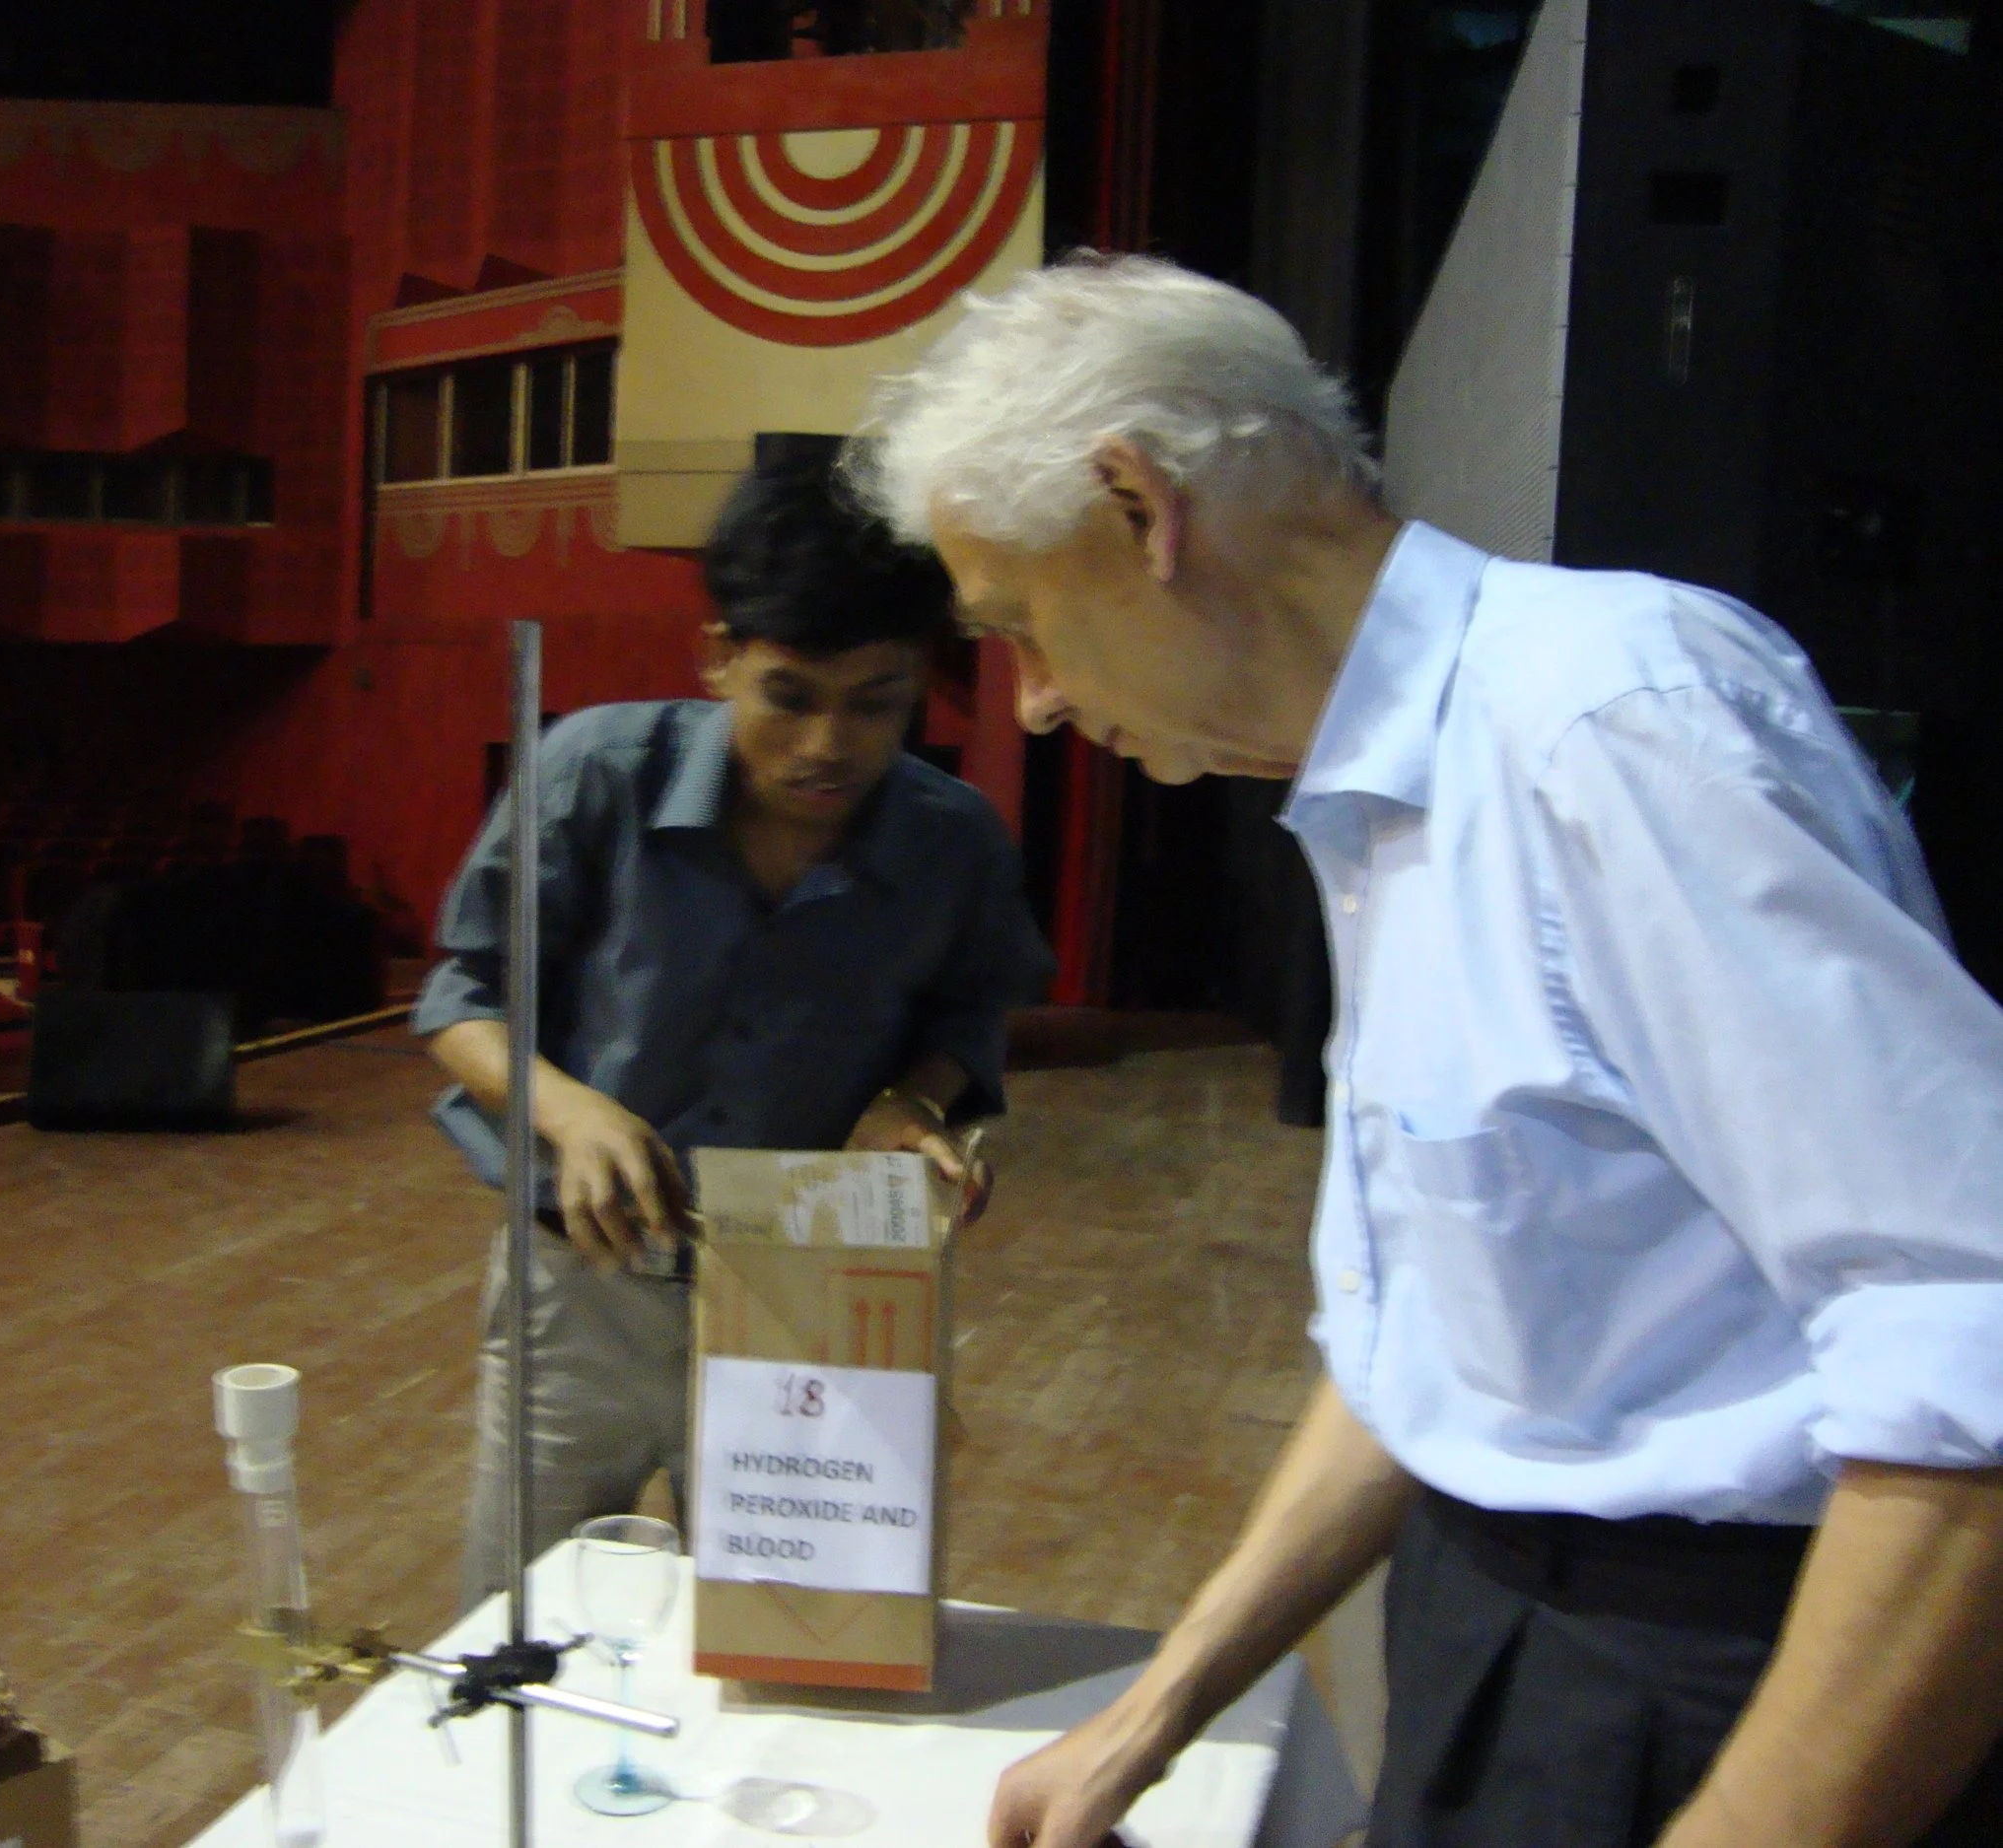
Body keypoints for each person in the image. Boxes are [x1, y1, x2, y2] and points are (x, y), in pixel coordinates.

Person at [841, 253, 2003, 1848]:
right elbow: (1432, 1354)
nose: (1033, 702)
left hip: (1734, 1679)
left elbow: (1972, 1328)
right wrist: (1150, 1715)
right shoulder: (1385, 801)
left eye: (1020, 623)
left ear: (1137, 504)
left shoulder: (1610, 723)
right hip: (1497, 1632)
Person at [413, 454, 1054, 1609]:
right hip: (582, 1286)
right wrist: (571, 1108)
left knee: (801, 1630)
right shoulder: (592, 774)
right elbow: (460, 1003)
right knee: (525, 1634)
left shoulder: (952, 841)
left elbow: (968, 1017)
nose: (827, 746)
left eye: (876, 702)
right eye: (789, 696)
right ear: (718, 657)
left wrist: (913, 1107)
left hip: (803, 1293)